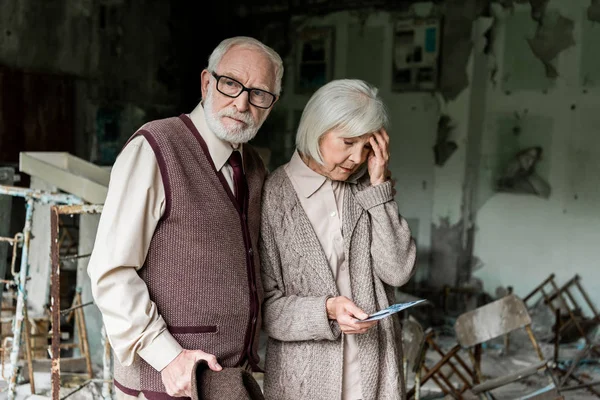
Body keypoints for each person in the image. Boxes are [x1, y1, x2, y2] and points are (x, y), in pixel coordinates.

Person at [87, 36, 283, 399]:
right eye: (231, 84)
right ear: (207, 83)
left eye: (258, 94)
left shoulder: (253, 166)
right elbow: (111, 273)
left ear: (270, 106)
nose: (242, 103)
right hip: (168, 382)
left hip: (225, 381)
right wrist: (168, 357)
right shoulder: (155, 147)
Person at [259, 79, 417, 400]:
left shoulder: (369, 190)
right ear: (317, 129)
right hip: (302, 382)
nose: (356, 157)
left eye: (367, 145)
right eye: (347, 142)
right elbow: (266, 311)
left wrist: (378, 190)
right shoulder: (272, 196)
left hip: (375, 376)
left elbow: (398, 271)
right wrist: (327, 310)